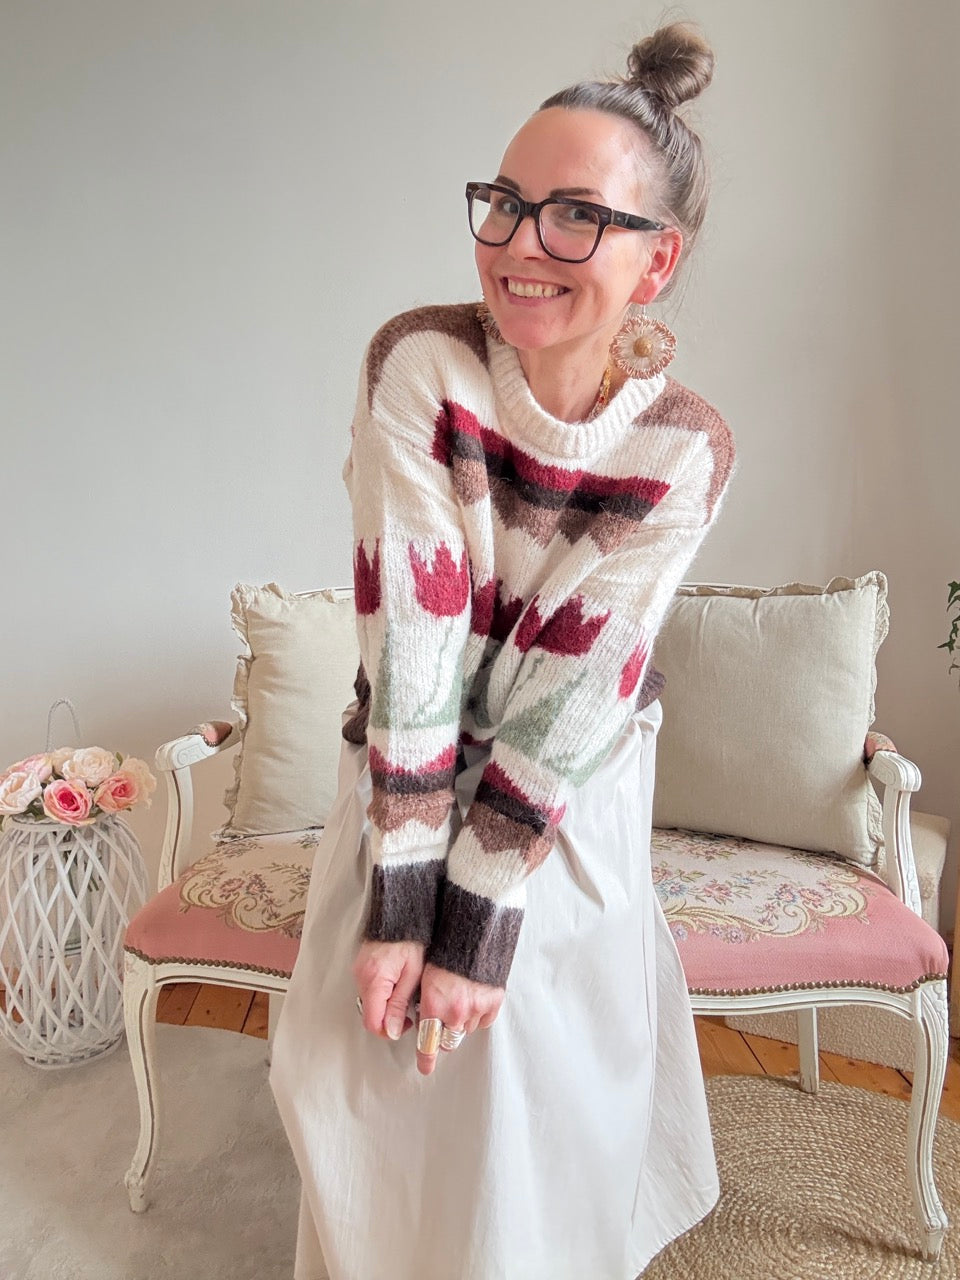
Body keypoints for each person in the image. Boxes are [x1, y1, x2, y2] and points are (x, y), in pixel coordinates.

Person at [270, 21, 735, 1280]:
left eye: (577, 215)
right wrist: (403, 907)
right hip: (406, 768)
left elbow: (570, 694)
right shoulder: (422, 366)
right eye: (507, 203)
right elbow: (419, 645)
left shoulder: (684, 448)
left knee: (527, 1095)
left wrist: (472, 924)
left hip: (565, 791)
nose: (522, 243)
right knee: (362, 1079)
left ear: (657, 259)